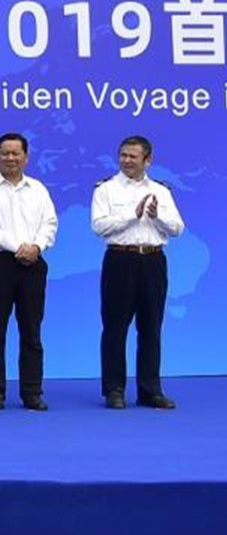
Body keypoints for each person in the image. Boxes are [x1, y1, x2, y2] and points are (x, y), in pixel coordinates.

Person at [91, 135, 185, 410]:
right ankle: (114, 390)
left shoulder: (161, 191)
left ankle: (150, 390)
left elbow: (177, 228)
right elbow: (99, 226)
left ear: (148, 160)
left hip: (153, 262)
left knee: (151, 327)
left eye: (133, 156)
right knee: (115, 327)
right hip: (120, 260)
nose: (126, 161)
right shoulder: (106, 189)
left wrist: (157, 216)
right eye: (123, 155)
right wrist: (132, 215)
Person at [0, 133, 57, 412]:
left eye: (15, 153)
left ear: (26, 157)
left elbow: (50, 223)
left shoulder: (38, 189)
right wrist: (18, 247)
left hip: (33, 264)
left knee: (32, 331)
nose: (10, 158)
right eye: (4, 153)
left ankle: (32, 392)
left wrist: (37, 247)